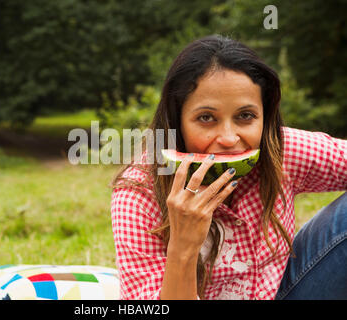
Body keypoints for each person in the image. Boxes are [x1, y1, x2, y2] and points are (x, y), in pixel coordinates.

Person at [110, 35, 347, 300]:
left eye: (245, 116)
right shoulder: (139, 192)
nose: (229, 138)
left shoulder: (279, 149)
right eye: (206, 118)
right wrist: (183, 246)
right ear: (178, 122)